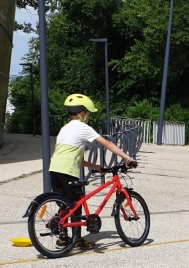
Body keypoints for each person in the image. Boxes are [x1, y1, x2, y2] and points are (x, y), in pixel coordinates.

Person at [50, 93, 136, 249]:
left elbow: (77, 158)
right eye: (88, 114)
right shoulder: (83, 127)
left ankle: (63, 237)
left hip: (54, 169)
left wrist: (96, 167)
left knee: (66, 205)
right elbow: (107, 144)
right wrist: (127, 158)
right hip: (68, 170)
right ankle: (76, 239)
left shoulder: (64, 129)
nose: (88, 117)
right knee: (76, 204)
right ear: (82, 113)